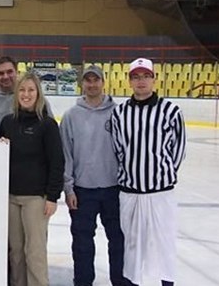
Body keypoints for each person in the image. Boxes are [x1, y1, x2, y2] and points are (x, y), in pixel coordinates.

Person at [110, 58, 186, 286]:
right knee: (132, 246)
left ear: (154, 78)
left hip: (160, 193)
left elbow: (178, 150)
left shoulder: (171, 111)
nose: (141, 81)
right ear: (129, 81)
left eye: (145, 76)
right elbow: (117, 149)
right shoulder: (120, 113)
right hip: (130, 193)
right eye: (136, 76)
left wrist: (162, 174)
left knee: (164, 244)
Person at [60, 65, 127, 286]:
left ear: (103, 82)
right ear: (82, 83)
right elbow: (66, 154)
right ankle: (83, 282)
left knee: (118, 241)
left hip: (113, 189)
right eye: (87, 80)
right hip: (82, 191)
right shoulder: (71, 116)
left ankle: (120, 281)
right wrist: (68, 188)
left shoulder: (119, 113)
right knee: (82, 244)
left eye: (95, 80)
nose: (92, 84)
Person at [0, 72, 64, 286]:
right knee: (16, 252)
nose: (26, 94)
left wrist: (52, 196)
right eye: (22, 90)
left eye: (31, 90)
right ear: (17, 94)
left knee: (34, 251)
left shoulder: (47, 125)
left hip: (36, 198)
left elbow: (57, 162)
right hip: (10, 196)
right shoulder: (7, 122)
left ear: (38, 94)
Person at [0, 56, 53, 126]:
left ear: (17, 72)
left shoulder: (38, 100)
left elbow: (51, 128)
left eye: (9, 72)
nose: (5, 76)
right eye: (1, 73)